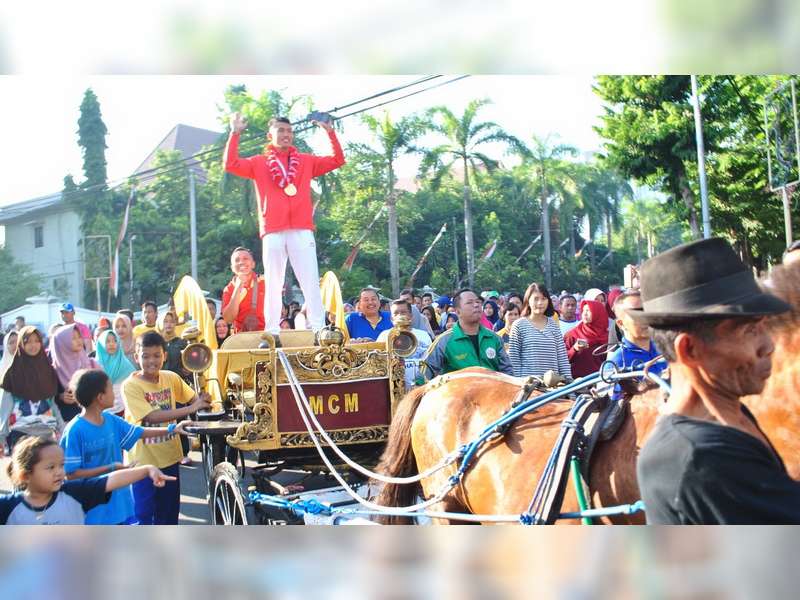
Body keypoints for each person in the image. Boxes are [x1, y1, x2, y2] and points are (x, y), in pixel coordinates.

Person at [633, 237, 799, 524]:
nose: (768, 345)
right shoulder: (696, 458)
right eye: (749, 331)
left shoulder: (730, 415)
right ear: (690, 350)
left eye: (764, 327)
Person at [225, 113, 345, 333]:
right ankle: (272, 332)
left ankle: (318, 330)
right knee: (273, 283)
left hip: (301, 229)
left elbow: (337, 160)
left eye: (289, 131)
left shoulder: (306, 161)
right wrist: (235, 133)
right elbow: (231, 164)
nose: (286, 135)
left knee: (310, 281)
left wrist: (330, 132)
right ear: (270, 135)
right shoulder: (259, 163)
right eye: (281, 131)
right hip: (272, 230)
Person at [60, 369, 193, 525]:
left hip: (118, 503)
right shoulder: (75, 430)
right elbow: (71, 474)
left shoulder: (110, 419)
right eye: (110, 389)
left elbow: (139, 432)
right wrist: (110, 468)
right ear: (100, 397)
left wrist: (172, 429)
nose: (114, 394)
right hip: (91, 508)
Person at [123, 331, 211, 524]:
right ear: (136, 357)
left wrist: (203, 400)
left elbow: (193, 398)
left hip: (170, 458)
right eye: (145, 356)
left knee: (169, 515)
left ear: (165, 356)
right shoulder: (130, 386)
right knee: (142, 515)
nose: (151, 361)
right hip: (142, 464)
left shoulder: (170, 377)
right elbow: (150, 417)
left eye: (156, 355)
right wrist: (190, 408)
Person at [1, 436, 174, 525]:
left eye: (61, 465)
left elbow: (111, 480)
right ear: (25, 475)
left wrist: (147, 470)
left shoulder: (74, 493)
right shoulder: (7, 507)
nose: (60, 472)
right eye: (50, 467)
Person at [420, 289, 513, 380]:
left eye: (478, 302)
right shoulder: (444, 341)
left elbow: (508, 373)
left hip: (492, 394)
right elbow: (424, 373)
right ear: (457, 312)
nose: (476, 305)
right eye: (470, 302)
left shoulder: (494, 338)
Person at [0, 327, 64, 456]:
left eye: (36, 341)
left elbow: (52, 403)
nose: (33, 345)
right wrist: (2, 435)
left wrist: (61, 427)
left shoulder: (48, 370)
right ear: (21, 344)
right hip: (21, 434)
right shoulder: (12, 372)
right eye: (28, 341)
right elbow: (5, 407)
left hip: (46, 432)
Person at [606, 291, 666, 402]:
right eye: (637, 315)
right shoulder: (616, 362)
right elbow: (610, 412)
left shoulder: (666, 350)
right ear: (621, 323)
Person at [508, 283, 572, 379]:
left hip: (553, 389)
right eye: (536, 299)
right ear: (528, 300)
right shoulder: (519, 325)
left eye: (543, 299)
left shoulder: (553, 325)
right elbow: (514, 361)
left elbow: (562, 360)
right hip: (528, 388)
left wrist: (569, 388)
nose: (540, 303)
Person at [376, 300, 433, 390]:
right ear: (391, 318)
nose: (400, 316)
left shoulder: (424, 335)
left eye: (403, 312)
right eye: (396, 313)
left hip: (420, 387)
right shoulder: (384, 336)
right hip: (392, 388)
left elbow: (431, 363)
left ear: (411, 316)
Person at [49, 324, 100, 423]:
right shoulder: (54, 370)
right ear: (62, 343)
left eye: (79, 337)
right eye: (73, 338)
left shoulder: (90, 363)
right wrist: (60, 397)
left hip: (93, 417)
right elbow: (51, 398)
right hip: (67, 421)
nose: (79, 340)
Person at [220, 247, 266, 333]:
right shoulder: (229, 289)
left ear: (253, 264)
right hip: (241, 338)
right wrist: (237, 288)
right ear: (232, 267)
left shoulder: (265, 282)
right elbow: (228, 319)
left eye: (245, 258)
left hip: (267, 334)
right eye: (237, 260)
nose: (241, 262)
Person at [95, 330, 137, 417]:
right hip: (102, 412)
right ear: (101, 344)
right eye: (107, 341)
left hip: (124, 410)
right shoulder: (95, 366)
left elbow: (133, 386)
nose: (111, 344)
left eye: (115, 341)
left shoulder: (126, 365)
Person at [564, 300, 609, 378]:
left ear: (598, 313)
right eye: (583, 310)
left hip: (601, 381)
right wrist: (574, 349)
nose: (584, 313)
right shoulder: (572, 334)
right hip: (577, 383)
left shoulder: (608, 336)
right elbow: (562, 359)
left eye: (588, 310)